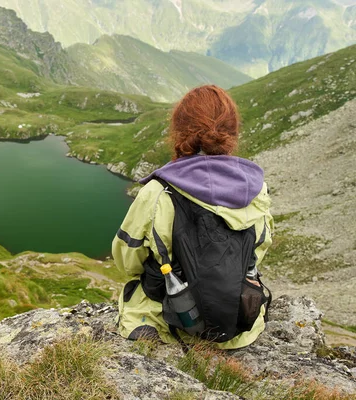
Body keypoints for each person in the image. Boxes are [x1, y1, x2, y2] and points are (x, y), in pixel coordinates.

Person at [112, 85, 273, 349]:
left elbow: (127, 261)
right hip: (239, 323)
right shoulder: (257, 190)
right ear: (231, 132)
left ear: (179, 130)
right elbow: (259, 249)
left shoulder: (159, 192)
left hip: (168, 321)